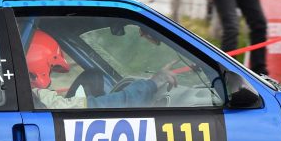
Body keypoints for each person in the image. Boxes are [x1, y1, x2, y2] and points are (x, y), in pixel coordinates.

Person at [26, 30, 176, 109]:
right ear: (39, 65)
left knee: (93, 76)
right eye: (51, 69)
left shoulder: (21, 95)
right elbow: (103, 106)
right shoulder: (38, 99)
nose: (51, 77)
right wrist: (152, 84)